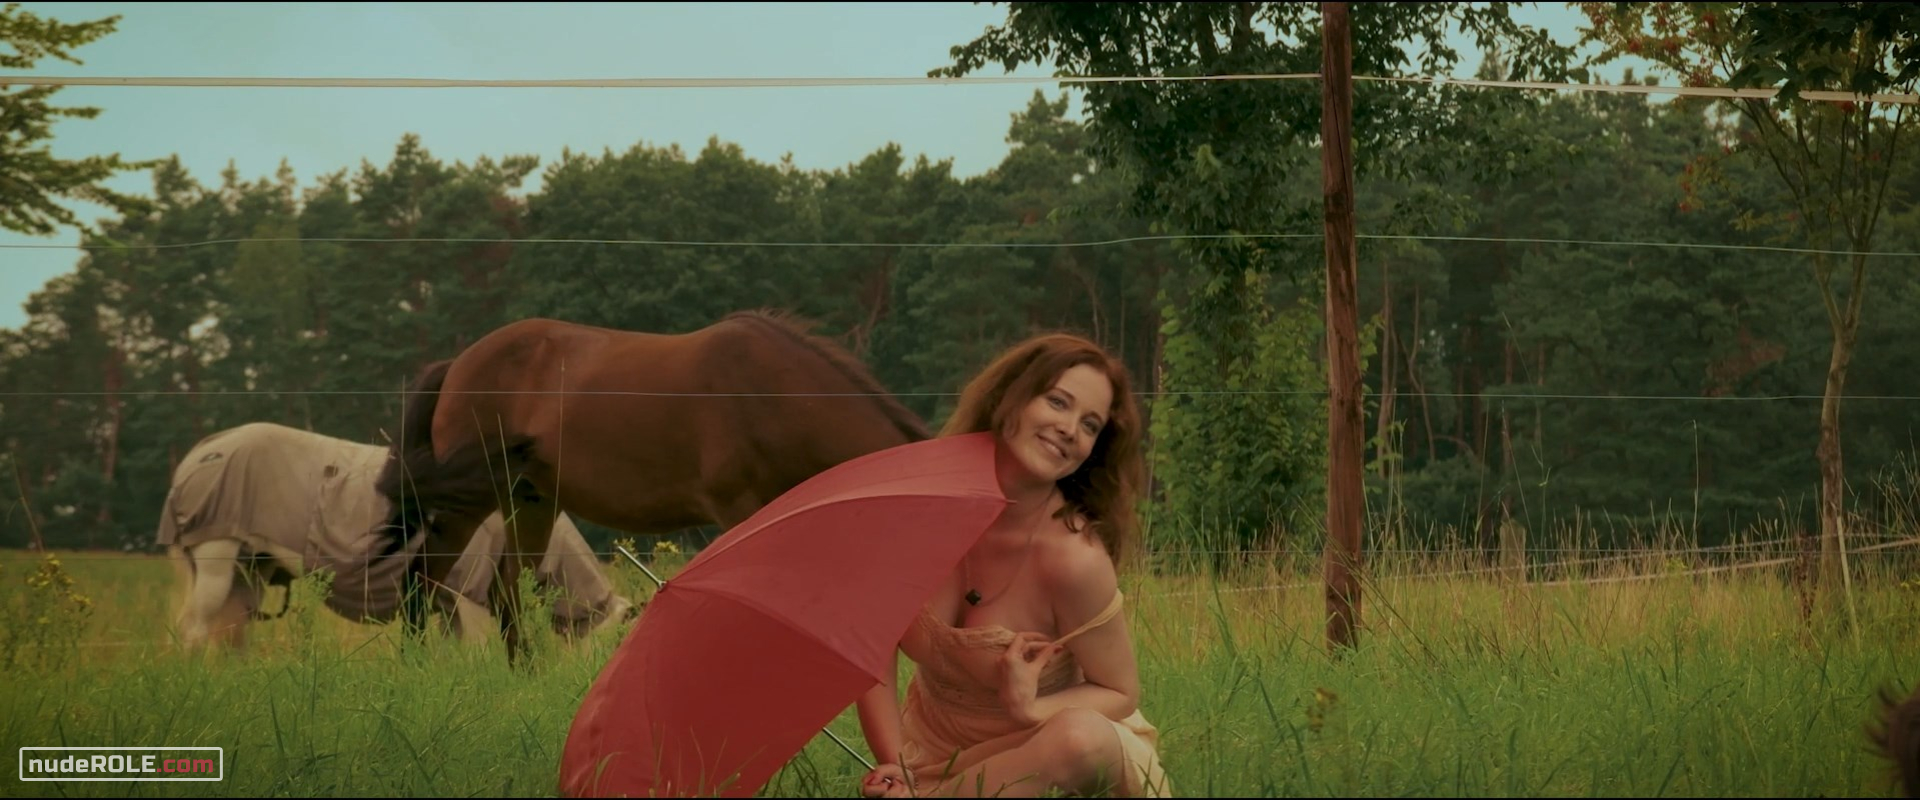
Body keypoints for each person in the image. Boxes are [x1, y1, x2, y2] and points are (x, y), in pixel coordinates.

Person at [854, 332, 1172, 798]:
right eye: (1058, 402)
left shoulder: (1074, 559)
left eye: (1090, 425)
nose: (1070, 429)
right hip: (934, 759)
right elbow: (873, 647)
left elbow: (1120, 692)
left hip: (1043, 755)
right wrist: (894, 762)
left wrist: (1032, 709)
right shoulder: (919, 513)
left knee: (1079, 739)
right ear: (1010, 399)